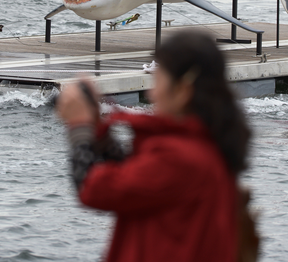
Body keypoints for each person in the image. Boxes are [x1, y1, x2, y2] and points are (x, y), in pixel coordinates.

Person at [55, 30, 255, 262]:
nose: (151, 93)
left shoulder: (179, 158)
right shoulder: (206, 145)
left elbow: (93, 189)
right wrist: (101, 138)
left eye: (157, 80)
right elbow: (139, 177)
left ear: (182, 91)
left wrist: (79, 126)